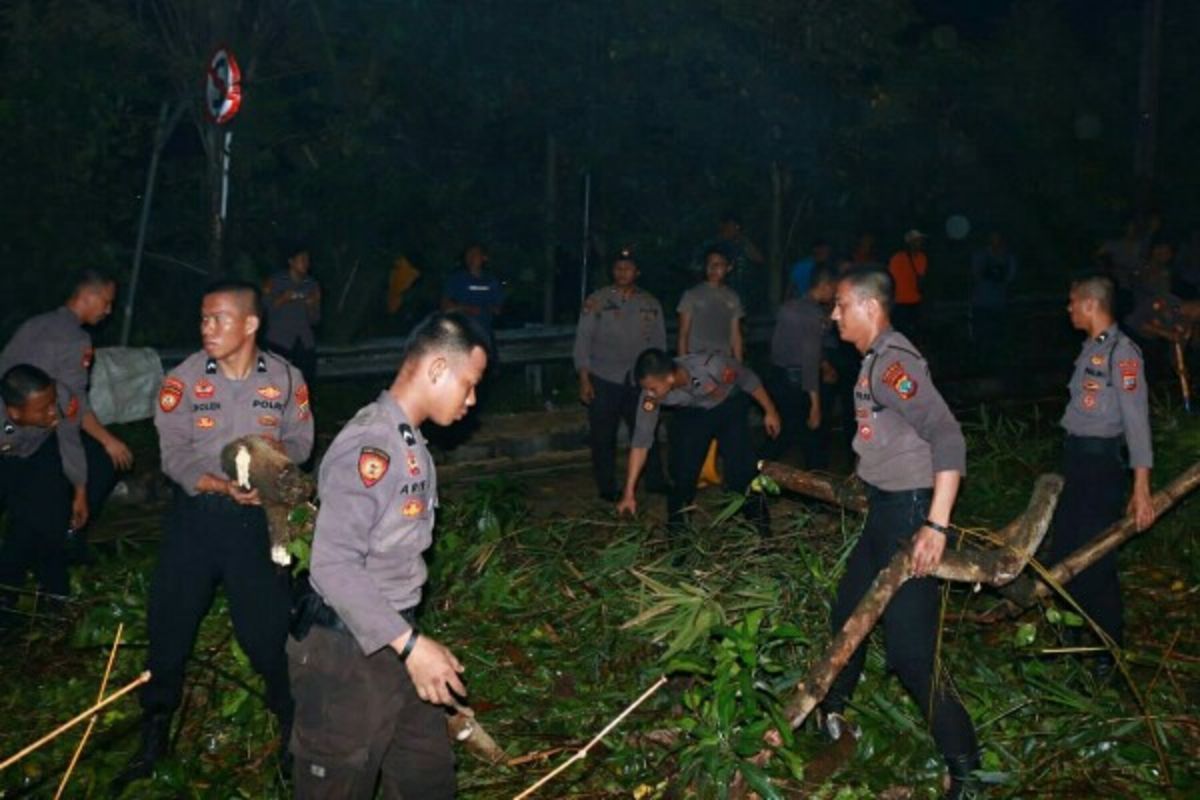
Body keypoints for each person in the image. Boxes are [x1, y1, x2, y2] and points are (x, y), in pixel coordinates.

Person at [117, 281, 313, 787]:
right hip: (197, 520)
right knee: (169, 629)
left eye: (218, 319)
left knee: (267, 634)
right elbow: (174, 455)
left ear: (250, 324)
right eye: (203, 319)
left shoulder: (287, 379)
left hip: (256, 524)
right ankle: (153, 736)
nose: (206, 328)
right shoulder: (182, 382)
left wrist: (274, 473)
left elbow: (300, 438)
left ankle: (294, 732)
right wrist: (220, 485)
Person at [288, 312, 489, 798]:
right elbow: (332, 565)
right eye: (469, 383)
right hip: (344, 655)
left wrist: (409, 644)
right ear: (438, 368)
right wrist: (412, 647)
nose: (472, 399)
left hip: (391, 640)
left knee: (428, 779)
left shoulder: (408, 440)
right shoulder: (370, 446)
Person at [820, 267, 979, 799]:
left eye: (841, 304)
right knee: (848, 614)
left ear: (869, 306)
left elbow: (947, 435)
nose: (833, 314)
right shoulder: (873, 361)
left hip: (911, 515)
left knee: (911, 654)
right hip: (885, 510)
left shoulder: (893, 364)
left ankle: (966, 768)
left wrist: (935, 525)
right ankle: (832, 712)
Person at [1051, 275, 1154, 676]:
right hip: (1077, 464)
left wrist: (1141, 488)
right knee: (1064, 555)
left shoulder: (1123, 354)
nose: (1069, 309)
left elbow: (1137, 423)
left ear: (1091, 304)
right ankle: (1074, 641)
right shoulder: (1090, 350)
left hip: (1102, 469)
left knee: (1096, 560)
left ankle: (1108, 654)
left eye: (1073, 302)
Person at [0, 269, 130, 547]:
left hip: (14, 428)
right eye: (106, 302)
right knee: (98, 463)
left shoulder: (35, 324)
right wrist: (109, 441)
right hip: (24, 437)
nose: (108, 311)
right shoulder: (75, 339)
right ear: (89, 297)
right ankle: (65, 540)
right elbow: (75, 405)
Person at [617, 349, 780, 537]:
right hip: (694, 414)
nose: (649, 393)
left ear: (670, 378)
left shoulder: (712, 366)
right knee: (682, 473)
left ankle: (761, 530)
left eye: (653, 388)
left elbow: (749, 380)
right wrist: (629, 493)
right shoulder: (650, 397)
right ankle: (679, 538)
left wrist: (770, 411)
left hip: (729, 407)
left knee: (742, 471)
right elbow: (640, 442)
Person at [573, 248, 668, 500]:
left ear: (637, 272)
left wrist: (660, 379)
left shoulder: (650, 303)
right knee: (603, 435)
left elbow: (659, 343)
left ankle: (655, 481)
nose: (622, 272)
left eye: (628, 268)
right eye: (618, 267)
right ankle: (607, 487)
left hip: (641, 380)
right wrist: (584, 378)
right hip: (605, 377)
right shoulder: (597, 301)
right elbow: (583, 341)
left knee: (648, 428)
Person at [0, 365, 87, 631]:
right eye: (43, 409)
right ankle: (5, 603)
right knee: (18, 528)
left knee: (49, 523)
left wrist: (80, 491)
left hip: (40, 454)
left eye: (52, 403)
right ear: (15, 413)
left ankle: (56, 597)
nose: (53, 412)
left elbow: (70, 441)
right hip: (7, 460)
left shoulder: (60, 395)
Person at [763, 266, 836, 468]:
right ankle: (751, 479)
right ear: (824, 286)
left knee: (784, 433)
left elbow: (784, 346)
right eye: (833, 289)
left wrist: (824, 363)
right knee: (807, 437)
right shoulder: (812, 314)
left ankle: (751, 480)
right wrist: (815, 405)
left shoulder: (789, 307)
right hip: (799, 383)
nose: (834, 294)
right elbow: (809, 361)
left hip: (778, 377)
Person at [264, 243, 322, 387]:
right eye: (302, 259)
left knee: (304, 384)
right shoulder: (275, 281)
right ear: (291, 261)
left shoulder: (311, 285)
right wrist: (283, 299)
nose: (306, 264)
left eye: (307, 260)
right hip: (279, 341)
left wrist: (313, 305)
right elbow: (264, 310)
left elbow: (315, 319)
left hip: (304, 342)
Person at [677, 248, 745, 360]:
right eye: (710, 264)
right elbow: (683, 334)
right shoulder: (691, 295)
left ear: (728, 268)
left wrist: (739, 365)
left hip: (723, 359)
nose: (713, 268)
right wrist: (683, 364)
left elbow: (736, 336)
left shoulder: (733, 297)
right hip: (697, 358)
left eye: (718, 264)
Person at [692, 213, 766, 314]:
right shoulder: (712, 244)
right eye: (732, 225)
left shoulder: (741, 244)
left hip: (739, 295)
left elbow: (759, 259)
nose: (734, 229)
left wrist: (743, 240)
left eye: (737, 226)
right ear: (723, 226)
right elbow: (696, 267)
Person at [969, 232, 1018, 366]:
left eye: (998, 239)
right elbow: (976, 275)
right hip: (981, 303)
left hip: (999, 303)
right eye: (993, 239)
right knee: (983, 336)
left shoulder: (1008, 258)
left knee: (999, 336)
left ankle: (998, 362)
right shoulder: (980, 256)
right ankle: (981, 362)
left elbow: (1010, 278)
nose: (995, 242)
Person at [442, 243, 504, 339]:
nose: (471, 258)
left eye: (475, 254)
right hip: (461, 332)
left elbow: (498, 309)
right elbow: (445, 307)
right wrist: (466, 308)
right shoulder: (456, 279)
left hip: (484, 332)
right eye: (469, 254)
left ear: (484, 258)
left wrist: (487, 308)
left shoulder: (491, 280)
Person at [887, 230, 928, 338]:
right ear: (909, 243)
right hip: (900, 302)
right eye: (917, 240)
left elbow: (921, 278)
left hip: (916, 301)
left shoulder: (922, 257)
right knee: (901, 334)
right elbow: (891, 280)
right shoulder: (897, 258)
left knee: (916, 334)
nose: (920, 243)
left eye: (920, 240)